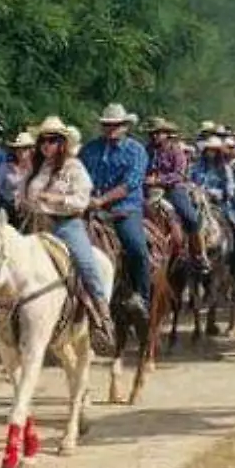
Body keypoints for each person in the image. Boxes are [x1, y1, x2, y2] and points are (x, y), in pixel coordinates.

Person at [19, 117, 114, 354]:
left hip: (66, 224)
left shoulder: (74, 167)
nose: (45, 145)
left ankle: (102, 316)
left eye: (52, 140)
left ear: (62, 143)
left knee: (86, 262)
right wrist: (24, 200)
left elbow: (82, 201)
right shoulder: (36, 168)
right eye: (42, 140)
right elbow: (22, 195)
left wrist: (56, 199)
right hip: (35, 223)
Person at [79, 104, 151, 321]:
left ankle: (142, 295)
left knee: (137, 247)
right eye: (106, 125)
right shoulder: (89, 149)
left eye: (115, 125)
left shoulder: (136, 150)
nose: (110, 129)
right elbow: (78, 173)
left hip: (124, 209)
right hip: (87, 207)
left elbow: (131, 183)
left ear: (125, 126)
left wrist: (101, 200)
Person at [147, 118, 206, 268]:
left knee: (191, 217)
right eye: (152, 133)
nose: (155, 136)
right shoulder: (147, 150)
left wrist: (158, 180)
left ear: (167, 134)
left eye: (158, 133)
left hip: (173, 188)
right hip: (148, 188)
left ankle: (198, 253)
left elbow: (179, 174)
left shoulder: (176, 151)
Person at [0, 130, 35, 222]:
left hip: (28, 210)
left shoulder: (36, 169)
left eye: (25, 149)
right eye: (18, 149)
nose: (21, 152)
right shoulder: (7, 167)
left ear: (30, 150)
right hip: (8, 207)